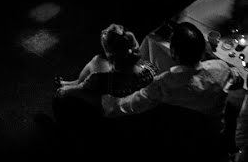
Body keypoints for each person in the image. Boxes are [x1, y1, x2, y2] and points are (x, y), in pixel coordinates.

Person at [103, 22, 240, 158]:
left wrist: (111, 104)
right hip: (215, 129)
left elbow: (134, 104)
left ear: (173, 53)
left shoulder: (164, 83)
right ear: (204, 48)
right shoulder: (220, 67)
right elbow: (237, 78)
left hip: (185, 136)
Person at [54, 24, 156, 119]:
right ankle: (74, 82)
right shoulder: (150, 69)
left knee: (96, 61)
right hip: (135, 104)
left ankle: (73, 83)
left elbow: (80, 89)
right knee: (97, 63)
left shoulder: (101, 79)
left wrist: (66, 90)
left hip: (112, 108)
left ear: (109, 55)